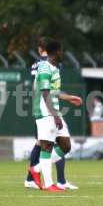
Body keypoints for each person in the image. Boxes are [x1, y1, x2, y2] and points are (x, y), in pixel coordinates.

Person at [24, 38, 80, 190]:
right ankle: (49, 184)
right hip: (45, 112)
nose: (63, 53)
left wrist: (69, 98)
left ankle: (36, 170)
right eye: (61, 50)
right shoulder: (44, 68)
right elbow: (45, 93)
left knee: (65, 145)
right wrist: (54, 115)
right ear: (56, 52)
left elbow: (54, 91)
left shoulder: (54, 68)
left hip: (53, 111)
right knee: (47, 147)